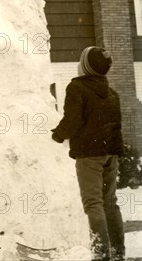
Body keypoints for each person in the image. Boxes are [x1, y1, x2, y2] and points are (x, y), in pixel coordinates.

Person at [51, 46, 125, 261]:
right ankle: (118, 253)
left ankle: (101, 254)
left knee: (93, 204)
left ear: (85, 66)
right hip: (110, 153)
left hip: (89, 155)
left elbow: (72, 119)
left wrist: (57, 135)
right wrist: (115, 152)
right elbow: (116, 126)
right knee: (109, 202)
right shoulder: (112, 93)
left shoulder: (77, 88)